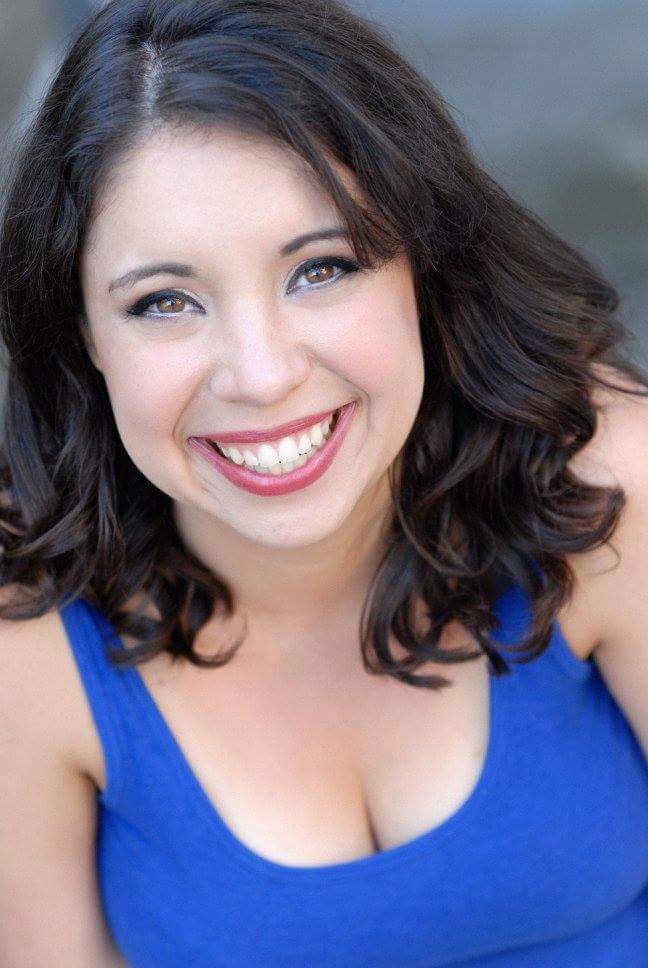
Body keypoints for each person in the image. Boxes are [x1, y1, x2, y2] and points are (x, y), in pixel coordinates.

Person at [0, 1, 647, 965]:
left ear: (424, 263)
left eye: (321, 269)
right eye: (165, 301)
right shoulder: (28, 619)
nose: (261, 376)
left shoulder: (600, 476)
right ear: (84, 335)